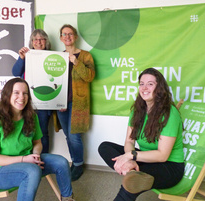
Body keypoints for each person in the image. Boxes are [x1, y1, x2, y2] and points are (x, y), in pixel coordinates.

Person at [0, 78, 75, 201]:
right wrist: (24, 159)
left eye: (25, 93)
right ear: (7, 95)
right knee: (32, 171)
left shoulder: (31, 116)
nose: (21, 97)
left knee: (61, 162)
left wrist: (36, 155)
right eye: (16, 93)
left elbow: (37, 143)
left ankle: (68, 198)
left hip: (29, 162)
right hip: (0, 172)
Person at [98, 68, 184, 201]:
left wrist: (131, 156)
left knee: (131, 184)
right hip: (143, 160)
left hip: (169, 167)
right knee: (105, 147)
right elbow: (129, 142)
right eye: (142, 83)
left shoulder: (170, 113)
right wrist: (130, 160)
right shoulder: (138, 110)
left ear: (159, 88)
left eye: (150, 84)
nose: (144, 87)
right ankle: (132, 172)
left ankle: (133, 176)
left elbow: (162, 155)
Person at [57, 24, 95, 181]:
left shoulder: (85, 56)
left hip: (78, 103)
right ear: (60, 38)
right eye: (64, 34)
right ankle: (74, 162)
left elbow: (90, 77)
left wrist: (76, 62)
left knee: (74, 136)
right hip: (60, 103)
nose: (67, 36)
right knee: (67, 135)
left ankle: (78, 164)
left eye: (70, 34)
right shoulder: (58, 57)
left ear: (76, 37)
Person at [12, 29, 52, 153]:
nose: (38, 42)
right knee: (25, 130)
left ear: (46, 42)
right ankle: (27, 157)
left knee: (42, 132)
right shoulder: (26, 56)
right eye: (35, 39)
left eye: (41, 39)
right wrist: (21, 58)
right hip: (26, 101)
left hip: (44, 102)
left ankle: (44, 160)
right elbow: (15, 73)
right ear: (32, 42)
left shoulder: (53, 57)